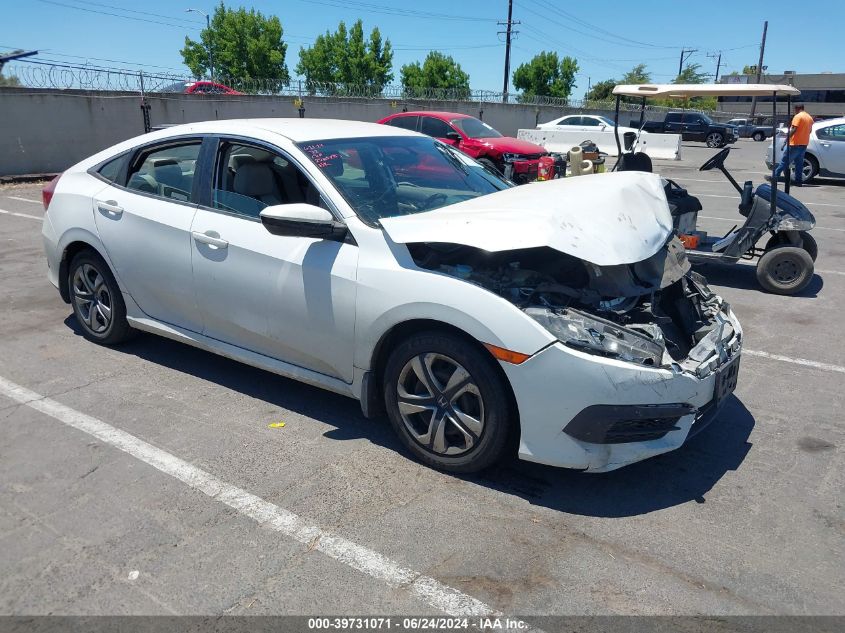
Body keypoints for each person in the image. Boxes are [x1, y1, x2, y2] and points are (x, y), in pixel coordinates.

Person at [773, 104, 814, 186]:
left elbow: (794, 129)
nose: (794, 111)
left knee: (784, 161)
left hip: (795, 143)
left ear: (797, 108)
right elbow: (810, 131)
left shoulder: (798, 116)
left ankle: (775, 177)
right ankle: (798, 181)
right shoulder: (809, 118)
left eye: (794, 109)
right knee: (799, 164)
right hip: (804, 143)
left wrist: (786, 139)